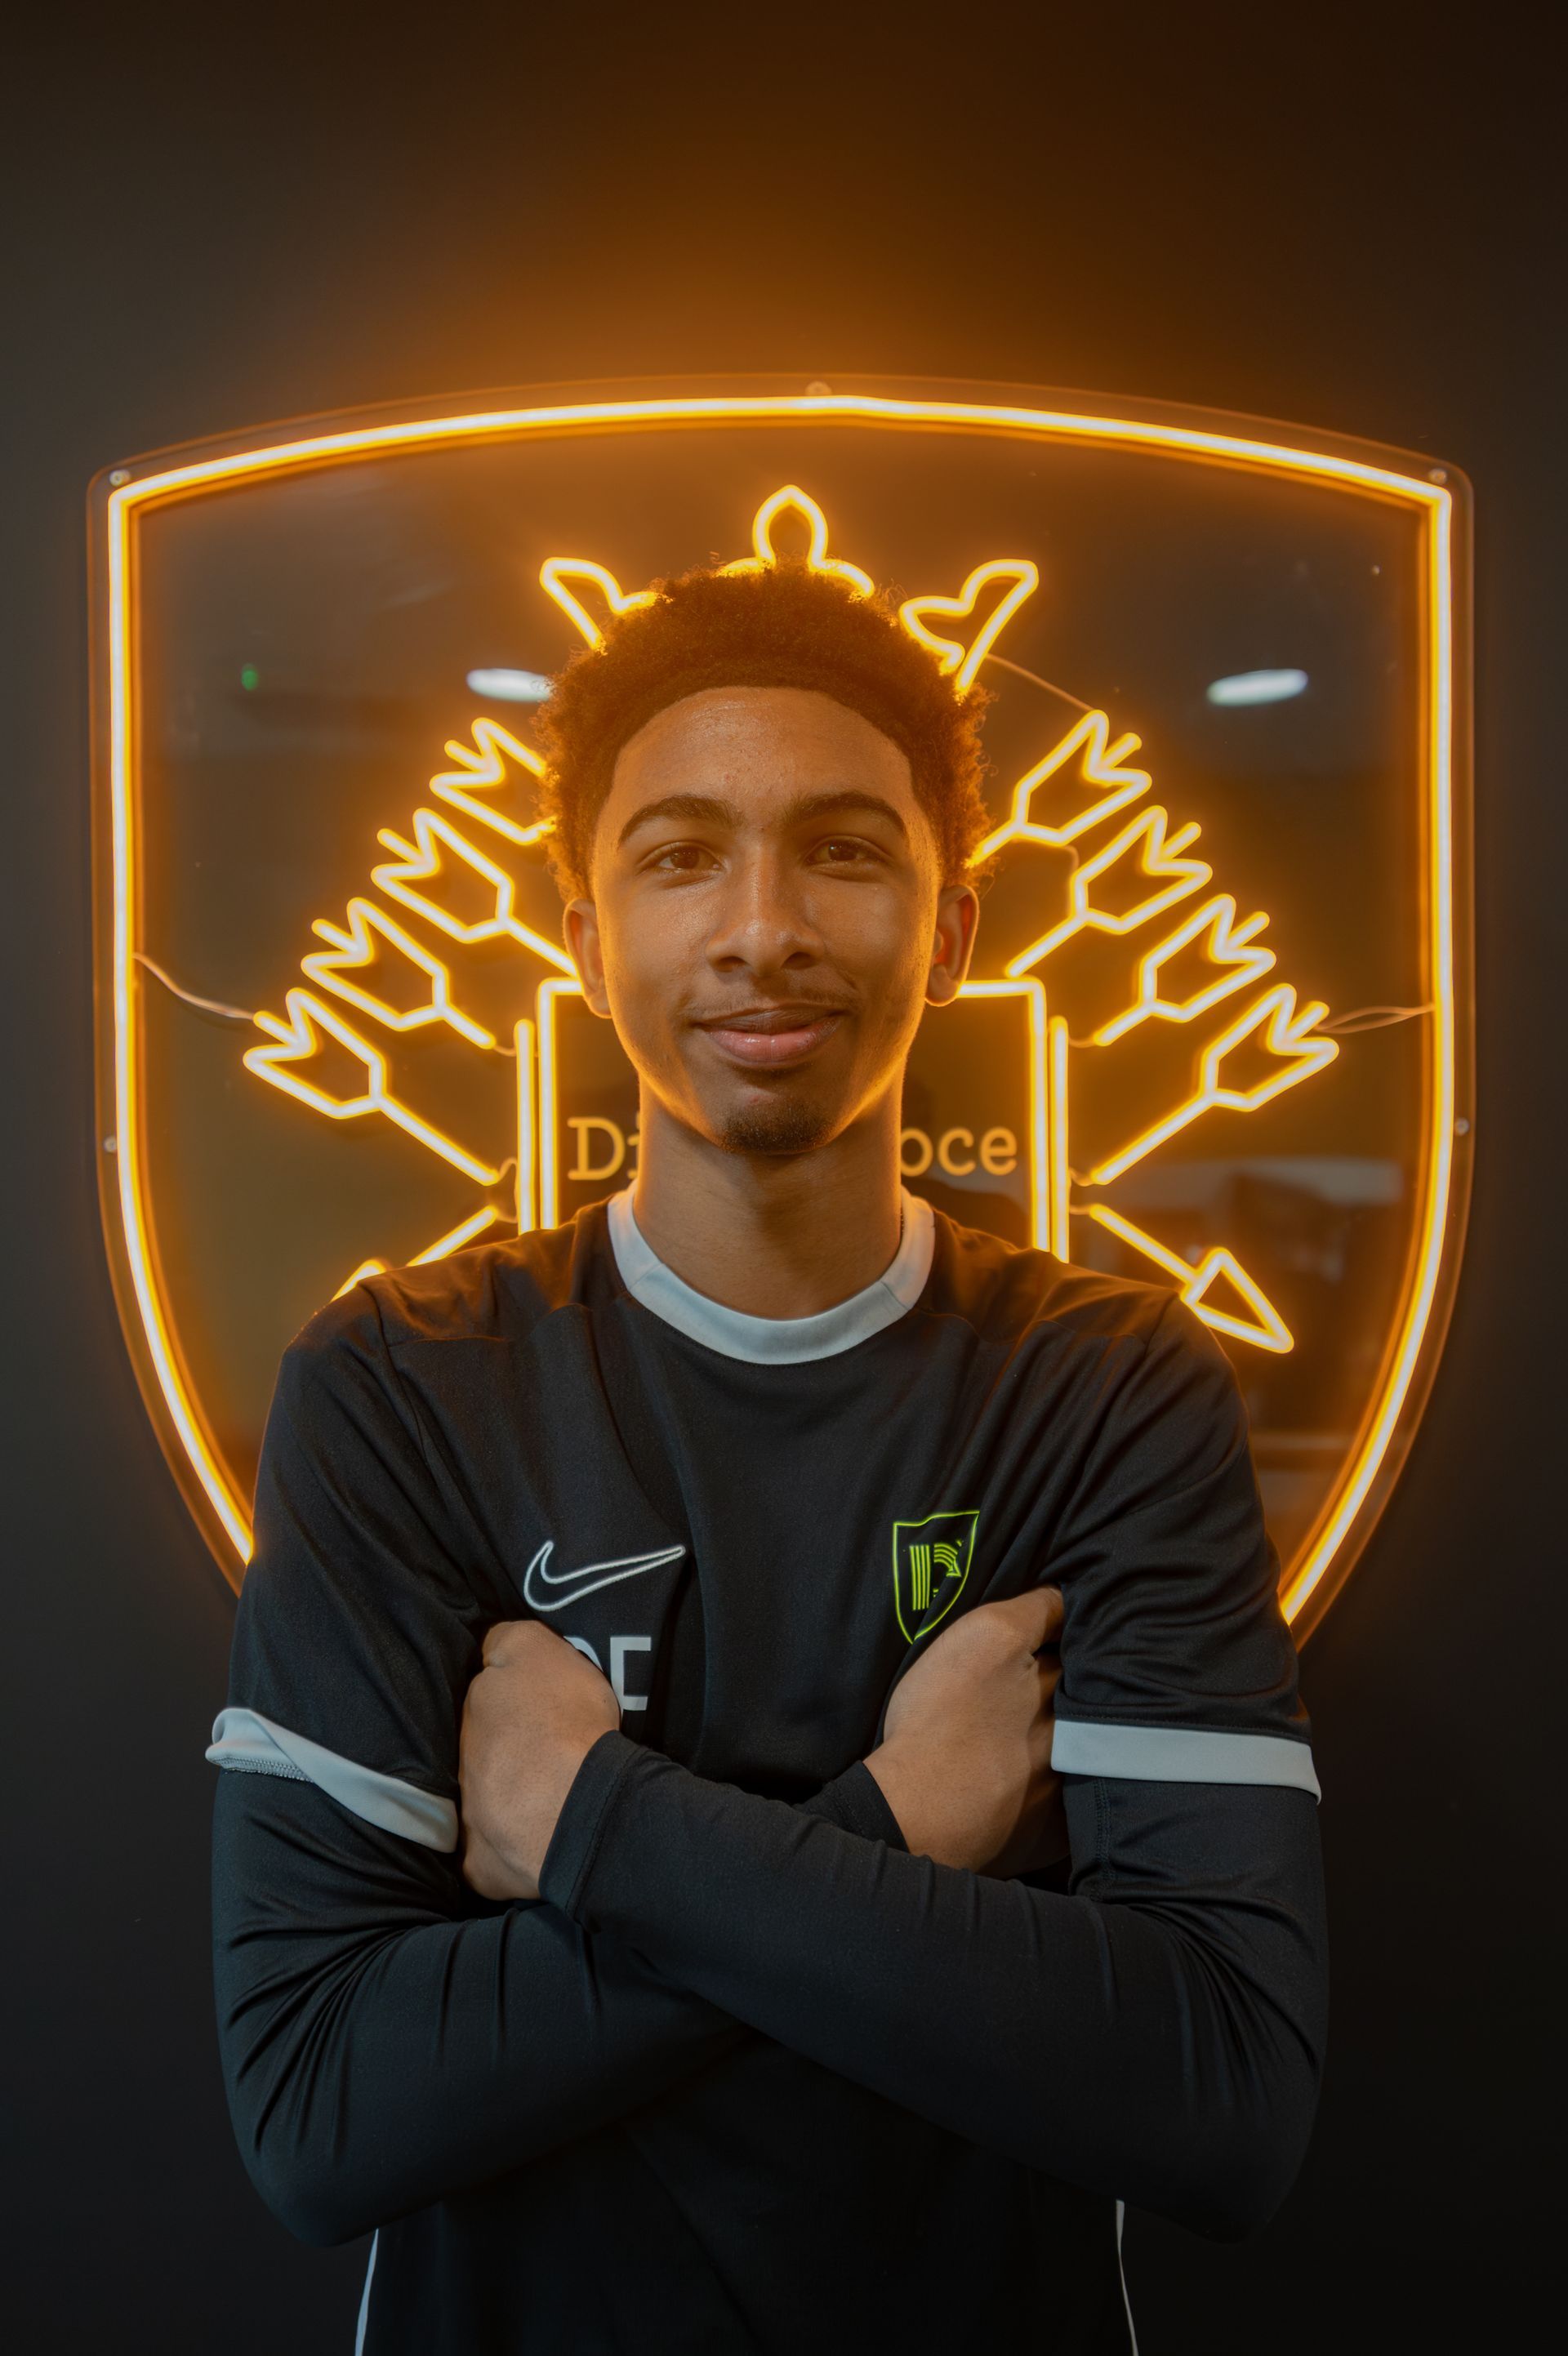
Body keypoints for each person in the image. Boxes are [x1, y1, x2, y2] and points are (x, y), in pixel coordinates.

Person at [208, 561, 1326, 2356]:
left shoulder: (1109, 1390)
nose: (760, 927)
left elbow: (1218, 2096)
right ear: (583, 934)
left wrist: (593, 1827)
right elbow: (322, 2108)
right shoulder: (404, 1385)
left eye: (842, 850)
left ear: (951, 930)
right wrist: (893, 1834)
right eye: (679, 855)